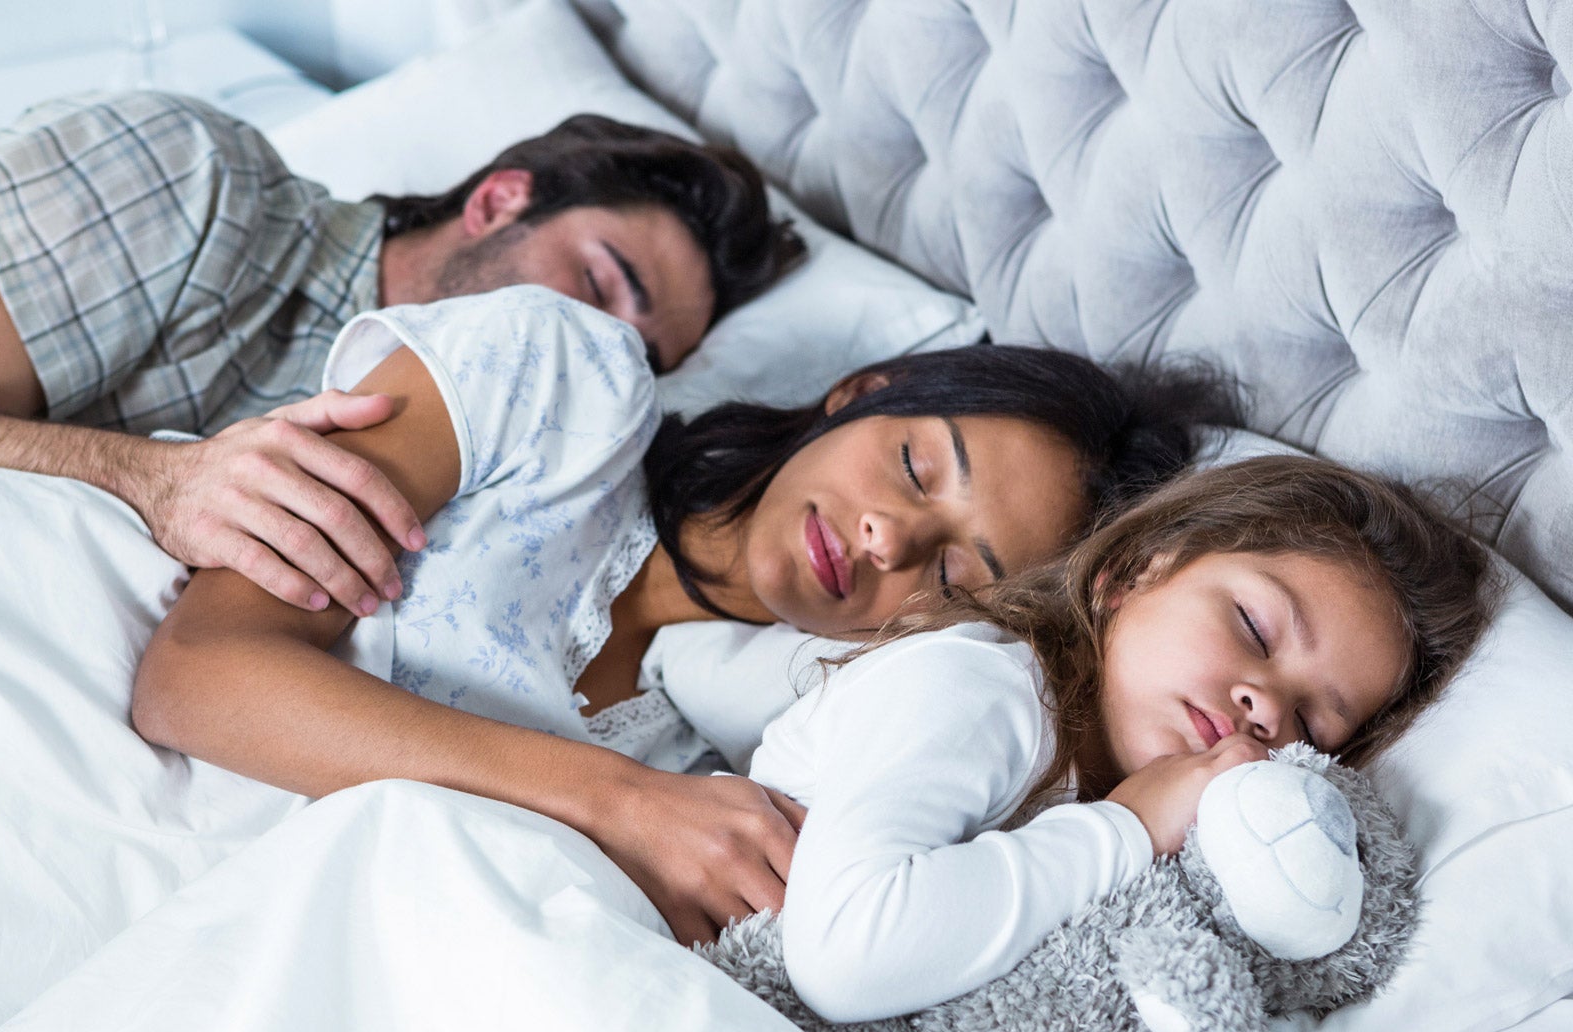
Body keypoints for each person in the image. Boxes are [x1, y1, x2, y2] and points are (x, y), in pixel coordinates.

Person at [130, 284, 1238, 944]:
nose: (888, 539)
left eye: (951, 575)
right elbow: (199, 672)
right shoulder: (559, 384)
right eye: (911, 462)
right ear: (862, 391)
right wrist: (621, 802)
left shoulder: (748, 755)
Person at [0, 91, 804, 617]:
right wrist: (158, 482)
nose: (593, 350)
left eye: (637, 353)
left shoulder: (482, 462)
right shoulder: (194, 178)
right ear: (497, 202)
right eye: (597, 286)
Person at [748, 454, 1496, 1032]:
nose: (1264, 704)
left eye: (1306, 720)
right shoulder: (986, 688)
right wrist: (1127, 823)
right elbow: (847, 955)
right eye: (1255, 630)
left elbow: (957, 1003)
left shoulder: (1145, 841)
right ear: (1133, 570)